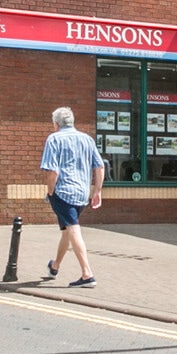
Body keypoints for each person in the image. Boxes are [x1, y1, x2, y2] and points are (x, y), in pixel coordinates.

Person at [39, 106, 105, 288]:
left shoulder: (53, 139)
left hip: (63, 192)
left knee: (74, 230)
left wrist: (50, 191)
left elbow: (52, 171)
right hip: (82, 193)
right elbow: (100, 167)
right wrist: (97, 191)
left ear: (55, 124)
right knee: (67, 230)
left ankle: (87, 274)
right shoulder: (87, 139)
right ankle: (55, 266)